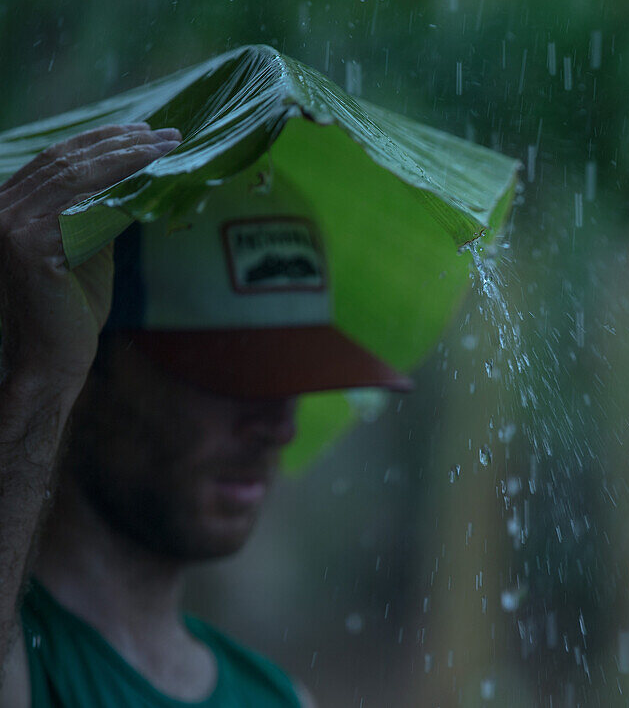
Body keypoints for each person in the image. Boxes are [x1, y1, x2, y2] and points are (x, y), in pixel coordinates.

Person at [0, 123, 410, 706]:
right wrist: (40, 370)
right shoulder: (26, 664)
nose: (280, 427)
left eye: (295, 379)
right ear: (89, 364)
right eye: (232, 377)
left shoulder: (281, 698)